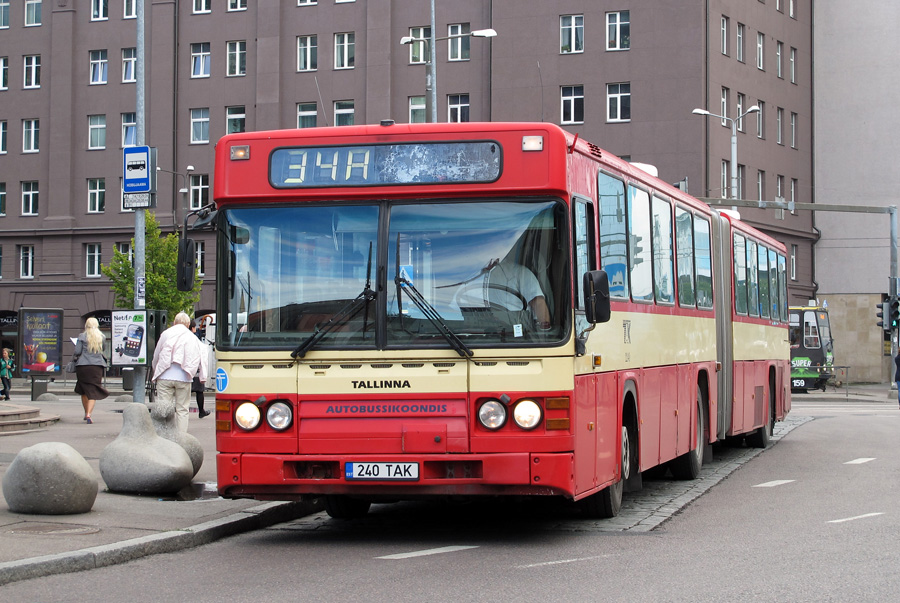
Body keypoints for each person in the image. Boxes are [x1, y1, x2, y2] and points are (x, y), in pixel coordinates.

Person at [457, 258, 552, 330]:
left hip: (515, 335)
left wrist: (544, 330)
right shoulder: (469, 279)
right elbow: (452, 308)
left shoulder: (520, 272)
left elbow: (538, 303)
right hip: (476, 337)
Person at [152, 312, 208, 432]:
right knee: (182, 410)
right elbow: (202, 355)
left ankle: (163, 434)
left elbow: (156, 354)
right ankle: (181, 437)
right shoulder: (192, 337)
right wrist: (203, 376)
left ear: (174, 322)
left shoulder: (166, 334)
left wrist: (155, 369)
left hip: (165, 376)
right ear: (188, 324)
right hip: (184, 377)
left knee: (163, 408)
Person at [73, 317, 110, 424]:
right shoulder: (101, 336)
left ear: (86, 325)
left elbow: (77, 351)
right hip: (97, 367)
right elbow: (103, 349)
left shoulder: (82, 336)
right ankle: (89, 414)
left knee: (83, 390)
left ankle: (86, 413)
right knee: (93, 390)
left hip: (83, 366)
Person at [190, 319, 210, 418]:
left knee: (185, 392)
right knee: (199, 391)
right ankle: (201, 411)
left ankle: (182, 411)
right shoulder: (194, 338)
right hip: (195, 367)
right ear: (193, 328)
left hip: (185, 369)